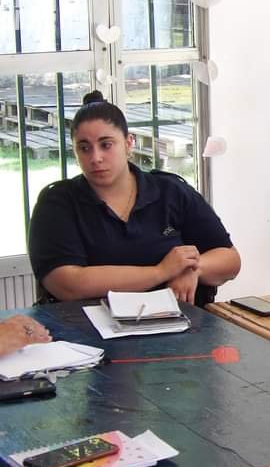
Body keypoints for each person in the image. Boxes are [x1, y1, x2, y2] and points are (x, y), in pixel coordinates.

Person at [28, 91, 240, 307]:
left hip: (179, 322)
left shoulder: (171, 192)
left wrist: (193, 268)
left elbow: (230, 259)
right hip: (85, 325)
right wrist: (160, 272)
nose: (95, 158)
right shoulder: (57, 203)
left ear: (129, 143)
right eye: (84, 148)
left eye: (106, 145)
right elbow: (67, 284)